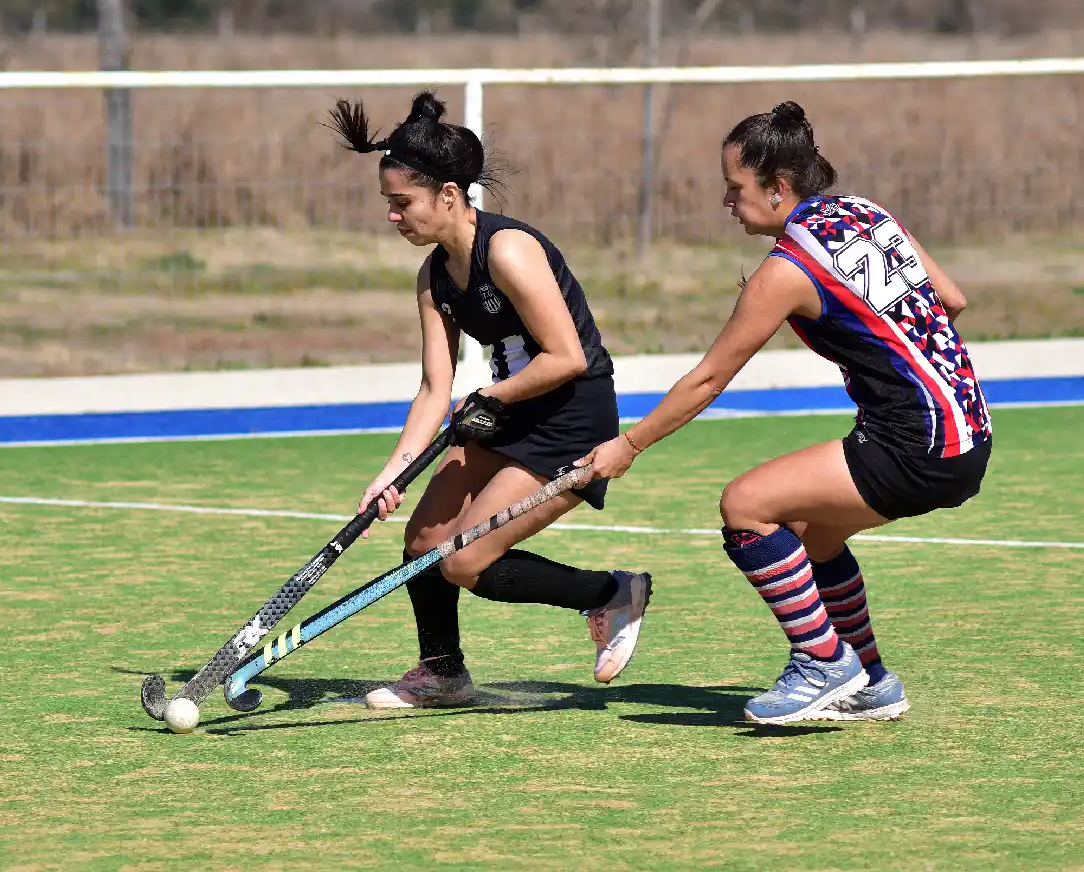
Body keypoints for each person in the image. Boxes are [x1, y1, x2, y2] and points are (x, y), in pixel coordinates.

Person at [579, 101, 992, 726]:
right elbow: (951, 300)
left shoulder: (786, 270)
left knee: (745, 504)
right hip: (969, 433)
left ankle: (823, 662)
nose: (727, 200)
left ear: (777, 187)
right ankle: (872, 681)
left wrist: (628, 445)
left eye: (735, 187)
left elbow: (709, 379)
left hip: (916, 443)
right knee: (815, 535)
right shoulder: (866, 212)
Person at [325, 91, 653, 709]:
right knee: (424, 541)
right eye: (388, 203)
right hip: (505, 411)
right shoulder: (433, 276)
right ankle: (442, 673)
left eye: (403, 203)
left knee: (465, 559)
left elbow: (568, 356)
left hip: (569, 420)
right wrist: (391, 473)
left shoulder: (508, 250)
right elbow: (434, 387)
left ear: (449, 195)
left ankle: (611, 592)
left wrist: (490, 396)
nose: (393, 216)